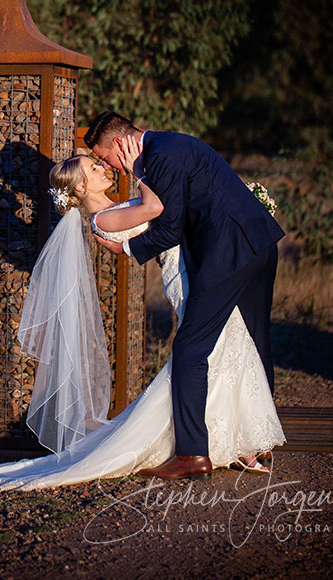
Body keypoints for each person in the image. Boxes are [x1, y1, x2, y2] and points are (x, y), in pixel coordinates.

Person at [0, 148, 283, 492]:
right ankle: (219, 442)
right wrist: (142, 169)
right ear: (80, 189)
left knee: (231, 346)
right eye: (94, 169)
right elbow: (157, 208)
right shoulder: (103, 221)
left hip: (199, 272)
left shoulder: (117, 209)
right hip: (184, 280)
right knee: (216, 350)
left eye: (97, 164)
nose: (103, 169)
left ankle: (235, 440)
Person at [88, 111, 285, 480]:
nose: (107, 165)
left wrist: (124, 250)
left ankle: (193, 454)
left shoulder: (158, 158)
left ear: (119, 144)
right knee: (257, 339)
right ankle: (256, 444)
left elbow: (168, 230)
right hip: (260, 242)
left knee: (191, 349)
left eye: (104, 157)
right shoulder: (170, 143)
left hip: (229, 254)